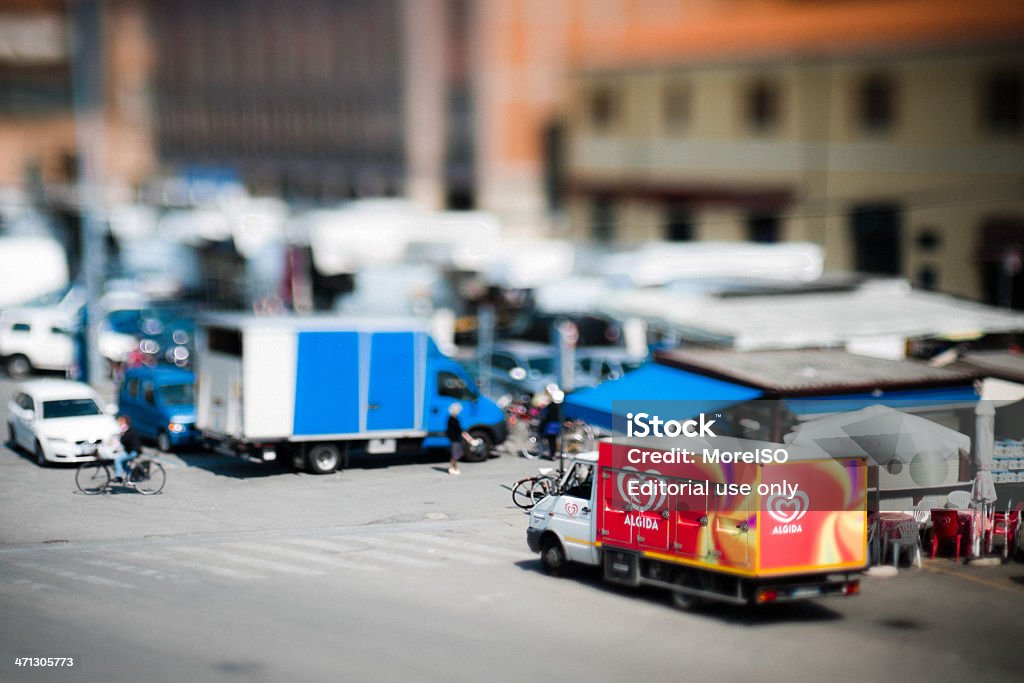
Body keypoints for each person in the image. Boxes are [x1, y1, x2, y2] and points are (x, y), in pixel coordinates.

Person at [111, 414, 142, 484]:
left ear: (123, 421)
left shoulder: (127, 430)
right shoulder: (126, 429)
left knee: (118, 460)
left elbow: (124, 440)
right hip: (130, 450)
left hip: (133, 451)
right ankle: (130, 478)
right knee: (123, 463)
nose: (118, 422)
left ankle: (118, 477)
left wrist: (120, 437)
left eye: (119, 421)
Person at [447, 403, 466, 476]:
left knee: (456, 454)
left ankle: (454, 468)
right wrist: (461, 432)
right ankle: (452, 468)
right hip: (455, 439)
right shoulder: (452, 419)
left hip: (456, 439)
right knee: (454, 455)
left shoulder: (453, 419)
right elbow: (456, 429)